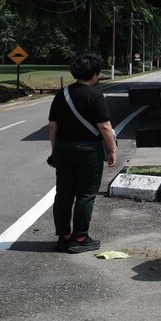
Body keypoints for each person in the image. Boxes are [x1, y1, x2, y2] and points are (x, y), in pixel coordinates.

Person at [48, 52, 117, 253]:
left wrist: (55, 150)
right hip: (88, 151)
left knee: (63, 194)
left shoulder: (62, 94)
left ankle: (63, 237)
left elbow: (52, 126)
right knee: (86, 194)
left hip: (63, 149)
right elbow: (104, 127)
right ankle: (79, 238)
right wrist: (112, 150)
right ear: (94, 74)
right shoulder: (95, 95)